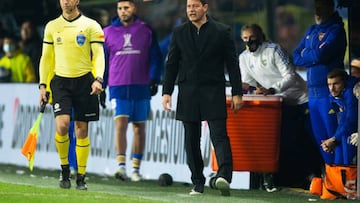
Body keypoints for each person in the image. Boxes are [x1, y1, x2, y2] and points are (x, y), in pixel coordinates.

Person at [161, 0, 243, 196]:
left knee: (219, 135)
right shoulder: (179, 32)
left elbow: (232, 64)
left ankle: (224, 175)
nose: (191, 10)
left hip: (213, 91)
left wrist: (237, 92)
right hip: (188, 92)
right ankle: (198, 181)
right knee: (191, 141)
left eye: (195, 6)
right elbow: (171, 64)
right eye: (189, 6)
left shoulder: (222, 31)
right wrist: (167, 92)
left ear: (205, 7)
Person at [239, 23, 322, 191]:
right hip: (279, 104)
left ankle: (320, 175)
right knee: (289, 142)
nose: (249, 42)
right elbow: (248, 84)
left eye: (252, 38)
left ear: (260, 37)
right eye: (245, 39)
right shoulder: (244, 58)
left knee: (311, 138)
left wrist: (271, 90)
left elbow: (290, 75)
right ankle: (301, 178)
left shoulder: (274, 50)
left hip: (301, 99)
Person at [38, 0, 105, 190]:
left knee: (82, 130)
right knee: (62, 125)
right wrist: (43, 86)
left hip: (85, 81)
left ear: (77, 1)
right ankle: (65, 169)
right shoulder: (52, 26)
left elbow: (99, 55)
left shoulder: (91, 25)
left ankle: (81, 176)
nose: (66, 1)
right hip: (60, 82)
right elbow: (46, 58)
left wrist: (98, 79)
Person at [102, 0, 163, 182]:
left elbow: (156, 58)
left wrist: (154, 79)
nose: (123, 11)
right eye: (120, 8)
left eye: (126, 8)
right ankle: (121, 167)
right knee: (120, 125)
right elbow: (103, 62)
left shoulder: (146, 30)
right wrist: (101, 86)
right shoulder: (107, 33)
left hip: (140, 86)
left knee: (139, 128)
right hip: (117, 86)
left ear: (134, 9)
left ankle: (136, 169)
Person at [293, 0, 347, 165]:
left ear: (330, 8)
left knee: (334, 137)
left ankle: (343, 179)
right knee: (320, 138)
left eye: (321, 7)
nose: (317, 11)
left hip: (329, 93)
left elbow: (321, 55)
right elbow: (296, 56)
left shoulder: (336, 30)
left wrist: (308, 54)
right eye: (315, 8)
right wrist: (313, 54)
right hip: (314, 94)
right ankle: (331, 179)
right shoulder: (311, 29)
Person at [320, 69, 358, 165]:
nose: (332, 88)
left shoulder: (351, 93)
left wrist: (334, 139)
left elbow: (350, 120)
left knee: (348, 162)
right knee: (339, 160)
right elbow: (342, 120)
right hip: (348, 131)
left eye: (336, 84)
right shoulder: (335, 95)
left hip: (356, 132)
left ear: (344, 83)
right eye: (329, 84)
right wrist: (334, 139)